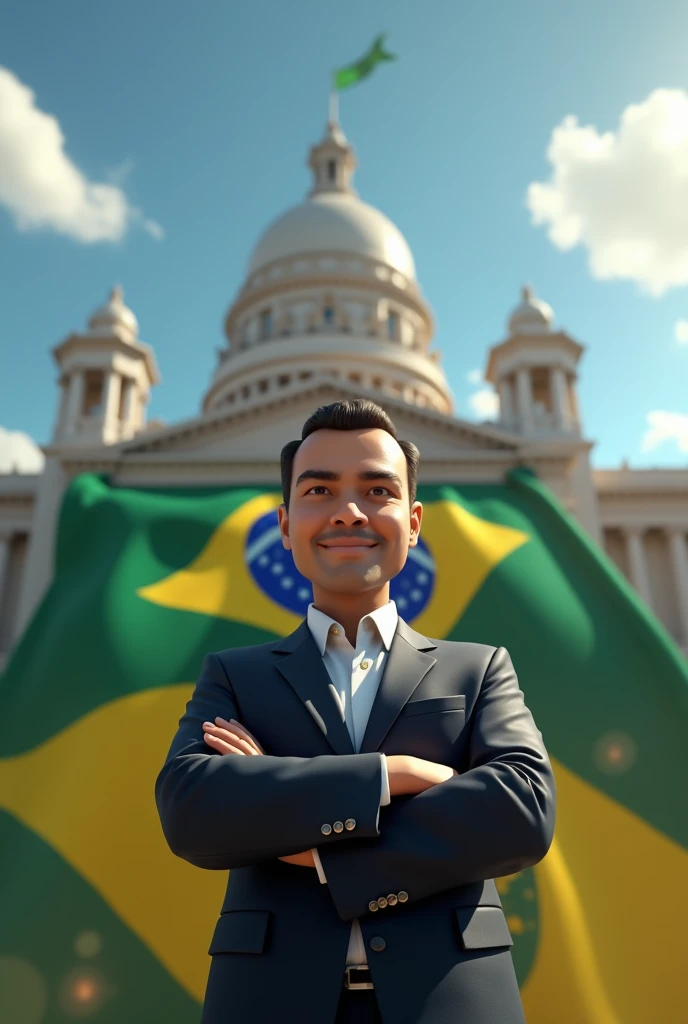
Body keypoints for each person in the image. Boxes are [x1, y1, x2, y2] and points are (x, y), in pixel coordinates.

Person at [155, 398, 556, 1024]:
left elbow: (522, 810)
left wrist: (305, 836)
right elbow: (192, 810)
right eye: (319, 489)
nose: (348, 511)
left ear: (413, 521)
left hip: (453, 1000)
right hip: (268, 1002)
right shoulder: (236, 674)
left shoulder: (476, 668)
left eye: (377, 490)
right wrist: (392, 775)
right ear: (285, 525)